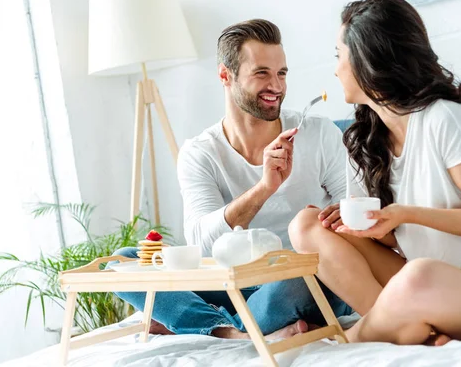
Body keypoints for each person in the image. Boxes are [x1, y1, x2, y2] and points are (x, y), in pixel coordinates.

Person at [289, 0, 461, 346]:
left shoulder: (448, 119)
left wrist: (404, 214)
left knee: (418, 276)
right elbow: (401, 238)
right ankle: (413, 329)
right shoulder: (364, 141)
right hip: (423, 280)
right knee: (306, 224)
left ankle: (353, 340)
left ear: (370, 58)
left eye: (340, 56)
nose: (335, 70)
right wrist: (367, 228)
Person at [113, 19, 352, 339]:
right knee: (126, 261)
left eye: (281, 73)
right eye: (262, 73)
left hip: (293, 281)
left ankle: (203, 322)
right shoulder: (200, 153)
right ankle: (232, 331)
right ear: (225, 75)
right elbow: (201, 243)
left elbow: (352, 210)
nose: (277, 86)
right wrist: (265, 187)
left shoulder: (319, 133)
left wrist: (337, 218)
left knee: (307, 274)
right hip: (229, 282)